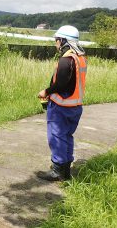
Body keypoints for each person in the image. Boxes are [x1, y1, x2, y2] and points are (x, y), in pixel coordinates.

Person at [37, 25, 87, 181]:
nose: (55, 43)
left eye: (56, 40)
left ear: (63, 40)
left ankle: (57, 170)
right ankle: (66, 171)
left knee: (56, 136)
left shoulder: (66, 60)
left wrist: (46, 91)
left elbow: (62, 84)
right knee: (67, 137)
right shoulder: (80, 58)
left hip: (61, 107)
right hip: (75, 106)